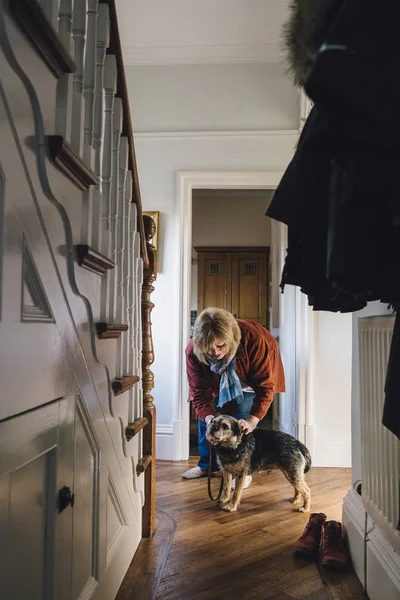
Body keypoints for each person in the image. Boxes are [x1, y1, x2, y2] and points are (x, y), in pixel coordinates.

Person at [182, 307, 286, 487]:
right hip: (215, 380)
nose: (215, 352)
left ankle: (244, 471)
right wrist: (209, 421)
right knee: (207, 422)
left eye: (220, 346)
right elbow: (199, 394)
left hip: (249, 379)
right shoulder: (193, 350)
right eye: (208, 348)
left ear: (230, 340)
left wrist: (252, 421)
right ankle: (207, 465)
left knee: (239, 420)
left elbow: (264, 387)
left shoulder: (254, 339)